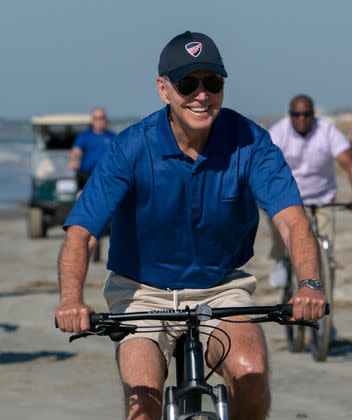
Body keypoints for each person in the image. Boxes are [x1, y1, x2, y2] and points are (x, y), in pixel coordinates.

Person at [54, 31, 326, 420]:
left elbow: (293, 222)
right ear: (164, 90)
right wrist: (71, 300)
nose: (202, 95)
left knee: (252, 375)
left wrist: (310, 284)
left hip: (222, 288)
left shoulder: (250, 142)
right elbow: (82, 234)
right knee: (143, 401)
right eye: (188, 84)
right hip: (141, 293)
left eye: (212, 83)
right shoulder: (131, 147)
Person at [267, 94, 352, 287]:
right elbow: (265, 168)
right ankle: (281, 258)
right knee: (285, 236)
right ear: (290, 115)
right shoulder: (278, 132)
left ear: (314, 114)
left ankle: (322, 289)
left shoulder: (327, 131)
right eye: (296, 114)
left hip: (323, 199)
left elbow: (350, 164)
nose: (301, 119)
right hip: (287, 200)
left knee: (324, 246)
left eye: (306, 114)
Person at [67, 108, 116, 190]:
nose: (99, 121)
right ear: (92, 120)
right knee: (81, 195)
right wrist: (74, 160)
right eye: (96, 118)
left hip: (105, 174)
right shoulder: (85, 135)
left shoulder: (112, 136)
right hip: (86, 174)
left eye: (102, 118)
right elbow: (76, 151)